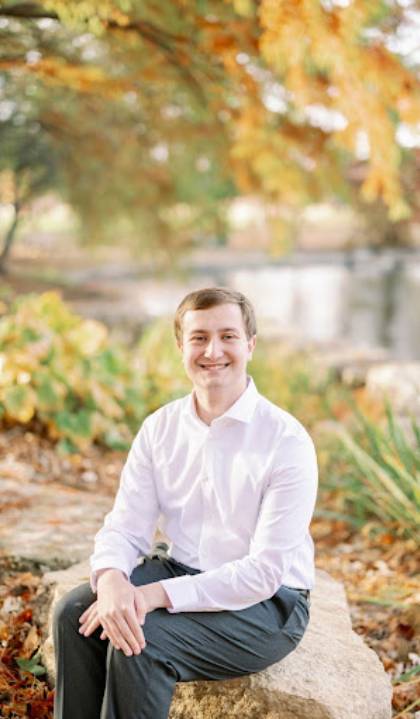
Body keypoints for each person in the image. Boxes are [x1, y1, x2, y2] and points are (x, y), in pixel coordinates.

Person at [53, 286, 318, 719]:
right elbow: (125, 526)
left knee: (143, 640)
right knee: (75, 614)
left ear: (250, 345)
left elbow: (264, 573)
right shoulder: (160, 428)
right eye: (199, 338)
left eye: (228, 336)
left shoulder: (286, 441)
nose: (213, 350)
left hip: (269, 605)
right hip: (182, 567)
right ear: (181, 347)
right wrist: (112, 579)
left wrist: (153, 595)